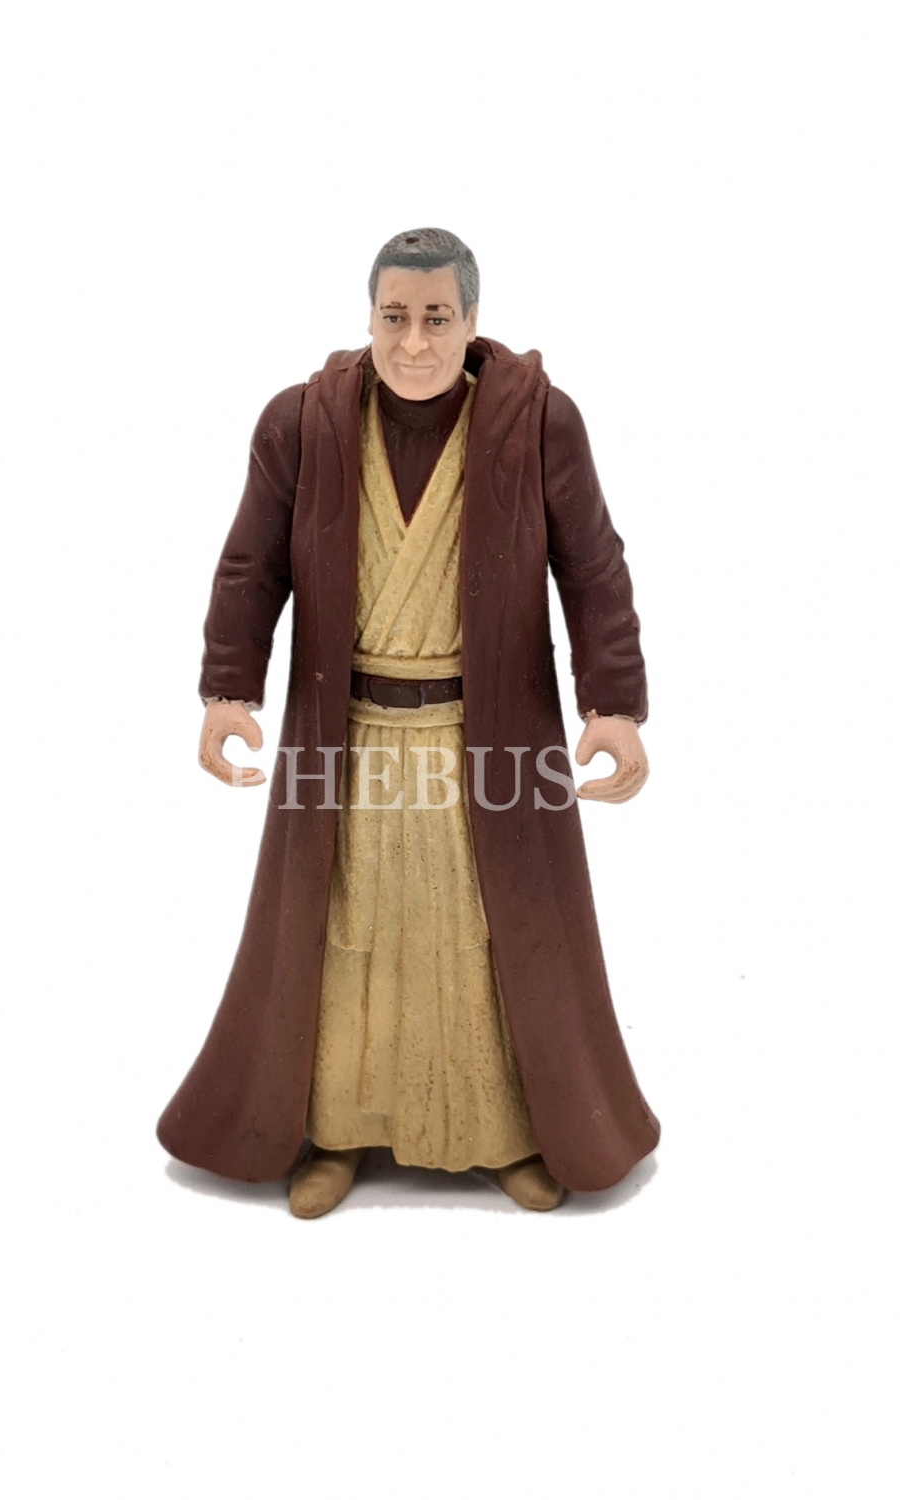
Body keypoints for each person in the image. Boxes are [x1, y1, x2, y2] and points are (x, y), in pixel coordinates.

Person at [157, 228, 660, 1217]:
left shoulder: (536, 423)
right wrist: (227, 690)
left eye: (436, 317)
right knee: (343, 931)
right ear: (370, 317)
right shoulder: (306, 423)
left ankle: (505, 1132)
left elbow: (593, 566)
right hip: (346, 741)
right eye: (395, 317)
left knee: (489, 933)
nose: (415, 342)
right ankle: (339, 1132)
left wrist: (612, 706)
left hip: (486, 739)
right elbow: (252, 562)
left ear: (472, 321)